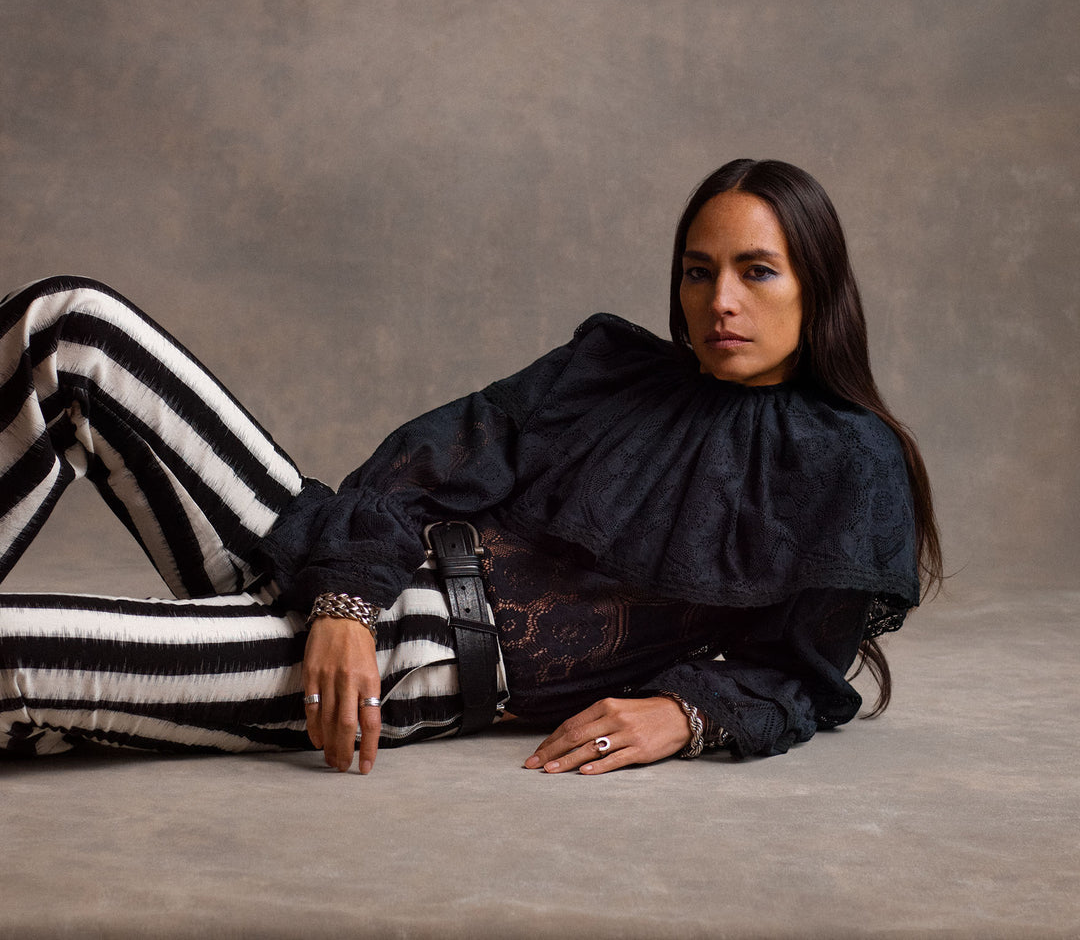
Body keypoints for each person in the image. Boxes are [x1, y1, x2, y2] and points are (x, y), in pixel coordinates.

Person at [0, 159, 941, 774]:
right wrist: (347, 601)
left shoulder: (849, 461)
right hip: (340, 563)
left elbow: (809, 673)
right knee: (68, 325)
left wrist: (684, 716)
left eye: (757, 271)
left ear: (816, 285)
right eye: (699, 272)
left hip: (420, 662)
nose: (720, 301)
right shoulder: (612, 372)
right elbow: (421, 463)